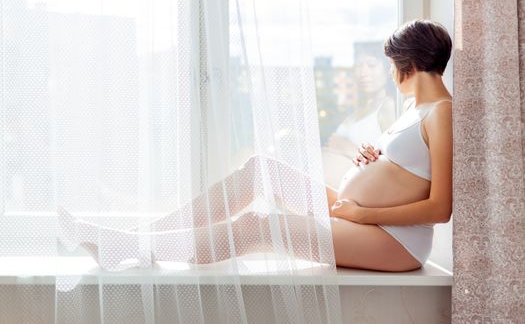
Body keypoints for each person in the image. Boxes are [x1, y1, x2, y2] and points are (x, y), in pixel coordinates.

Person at [57, 19, 453, 273]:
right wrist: (371, 162)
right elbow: (407, 172)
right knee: (261, 169)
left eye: (390, 64)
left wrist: (362, 214)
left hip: (394, 240)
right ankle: (137, 239)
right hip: (358, 214)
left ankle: (127, 247)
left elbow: (440, 208)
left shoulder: (442, 112)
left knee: (257, 227)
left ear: (407, 62)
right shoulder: (411, 110)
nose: (388, 73)